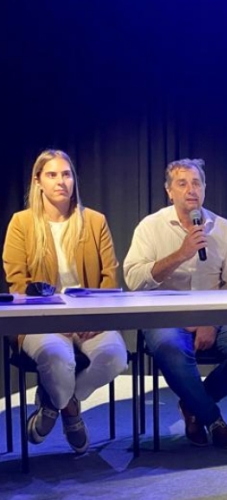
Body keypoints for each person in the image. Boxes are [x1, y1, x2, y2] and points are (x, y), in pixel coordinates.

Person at [124, 158, 227, 449]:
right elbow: (133, 279)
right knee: (171, 348)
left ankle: (192, 404)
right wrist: (181, 254)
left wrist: (211, 321)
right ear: (169, 191)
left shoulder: (224, 229)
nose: (191, 190)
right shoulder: (150, 227)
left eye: (196, 183)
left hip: (216, 316)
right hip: (165, 316)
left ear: (204, 188)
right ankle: (212, 418)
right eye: (182, 183)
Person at [2, 149, 128, 454]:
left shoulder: (95, 221)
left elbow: (109, 278)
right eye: (52, 175)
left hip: (90, 317)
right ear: (38, 182)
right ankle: (70, 412)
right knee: (59, 358)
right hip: (40, 320)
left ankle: (57, 403)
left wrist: (95, 318)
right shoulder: (21, 223)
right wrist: (54, 320)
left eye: (66, 174)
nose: (61, 181)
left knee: (115, 357)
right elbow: (18, 283)